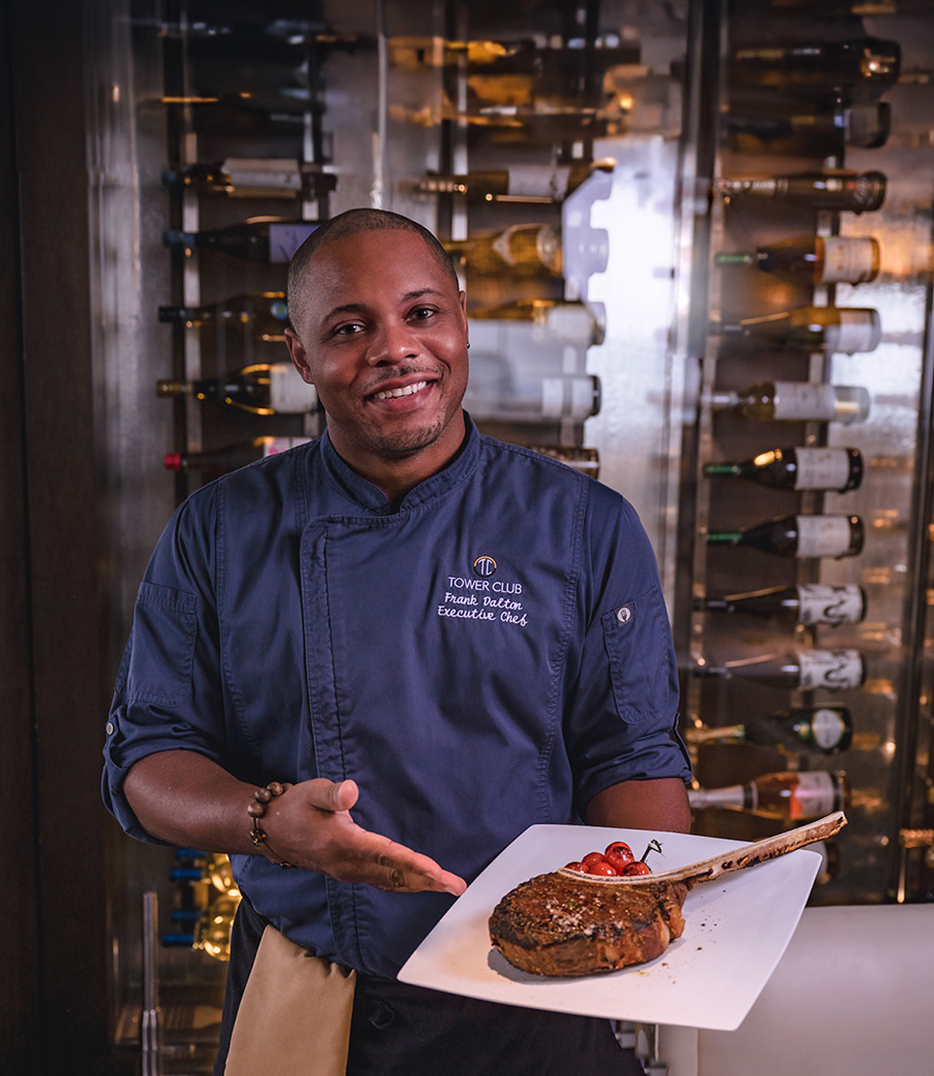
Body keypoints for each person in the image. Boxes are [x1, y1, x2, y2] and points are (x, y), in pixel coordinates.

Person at [102, 208, 691, 1075]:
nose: (395, 349)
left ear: (462, 318)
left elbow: (633, 756)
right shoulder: (218, 530)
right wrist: (267, 824)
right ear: (301, 356)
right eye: (349, 328)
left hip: (529, 995)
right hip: (311, 995)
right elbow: (147, 759)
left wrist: (636, 911)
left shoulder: (584, 526)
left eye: (421, 313)